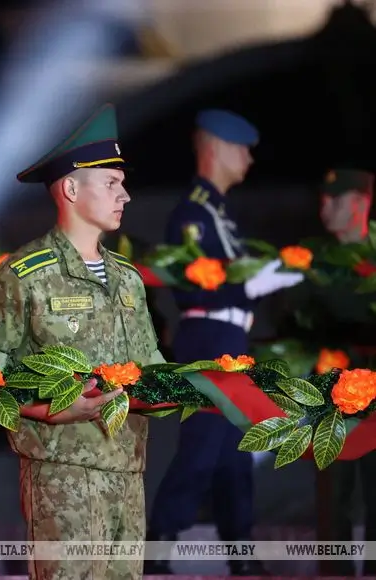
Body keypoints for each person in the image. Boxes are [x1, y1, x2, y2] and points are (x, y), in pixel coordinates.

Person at [0, 103, 163, 580]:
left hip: (127, 468)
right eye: (111, 184)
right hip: (61, 471)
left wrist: (211, 387)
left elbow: (150, 366)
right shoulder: (25, 276)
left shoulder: (129, 280)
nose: (126, 195)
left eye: (123, 183)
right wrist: (46, 409)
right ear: (72, 189)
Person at [144, 109, 303, 575]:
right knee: (205, 442)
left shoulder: (219, 215)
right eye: (242, 149)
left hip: (230, 333)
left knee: (235, 448)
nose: (249, 159)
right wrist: (253, 284)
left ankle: (240, 553)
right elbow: (195, 283)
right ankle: (161, 544)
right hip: (210, 332)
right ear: (215, 149)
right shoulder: (194, 214)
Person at [286, 168, 376, 576]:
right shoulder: (310, 257)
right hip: (330, 390)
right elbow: (290, 318)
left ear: (358, 202)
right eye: (322, 199)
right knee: (333, 492)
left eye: (334, 200)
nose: (325, 208)